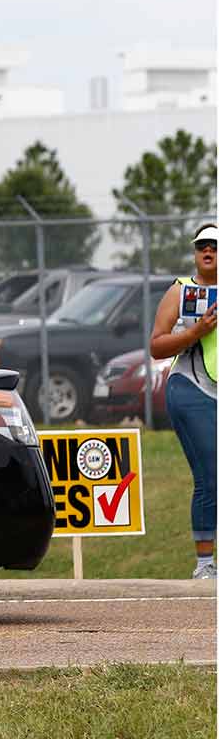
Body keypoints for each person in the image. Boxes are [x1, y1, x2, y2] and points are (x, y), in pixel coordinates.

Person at [148, 222, 217, 579]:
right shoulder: (181, 290)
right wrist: (194, 332)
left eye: (215, 246)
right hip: (192, 388)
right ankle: (204, 565)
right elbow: (156, 346)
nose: (208, 251)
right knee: (210, 475)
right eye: (202, 245)